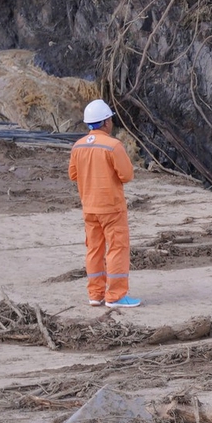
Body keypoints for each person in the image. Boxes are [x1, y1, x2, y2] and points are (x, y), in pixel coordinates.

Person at [68, 98, 139, 309]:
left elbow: (73, 174)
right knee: (117, 248)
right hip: (111, 207)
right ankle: (115, 296)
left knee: (94, 250)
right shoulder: (113, 145)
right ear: (106, 122)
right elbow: (126, 175)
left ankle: (95, 294)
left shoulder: (78, 146)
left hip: (89, 207)